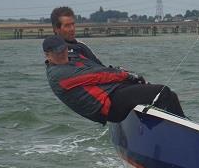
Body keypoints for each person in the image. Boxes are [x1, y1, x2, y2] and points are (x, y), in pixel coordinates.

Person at [42, 35, 185, 124]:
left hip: (114, 91)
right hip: (109, 106)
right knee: (162, 92)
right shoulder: (58, 75)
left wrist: (126, 76)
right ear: (47, 55)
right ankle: (184, 133)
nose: (63, 54)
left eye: (64, 49)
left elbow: (97, 66)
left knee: (170, 96)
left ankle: (180, 125)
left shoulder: (71, 57)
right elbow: (97, 76)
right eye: (58, 53)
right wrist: (126, 75)